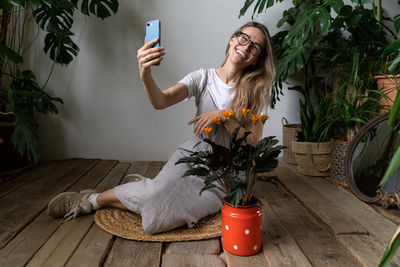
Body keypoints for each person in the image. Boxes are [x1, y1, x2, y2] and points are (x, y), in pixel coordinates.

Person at [47, 21, 275, 234]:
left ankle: (144, 188)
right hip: (193, 156)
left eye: (255, 47)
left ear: (257, 59)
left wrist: (225, 117)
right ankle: (93, 200)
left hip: (224, 173)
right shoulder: (202, 78)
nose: (246, 47)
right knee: (156, 201)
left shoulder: (256, 91)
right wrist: (145, 74)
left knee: (155, 222)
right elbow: (161, 101)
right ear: (232, 39)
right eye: (243, 38)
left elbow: (252, 144)